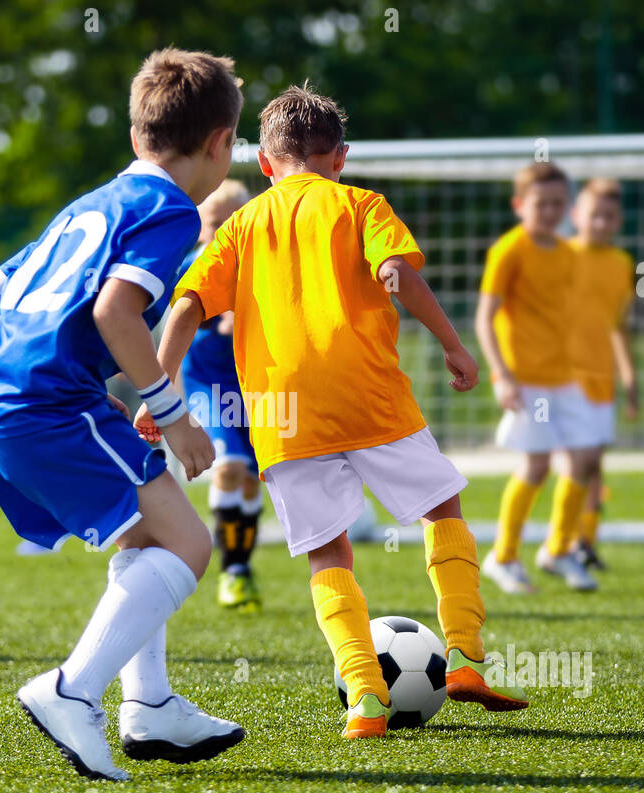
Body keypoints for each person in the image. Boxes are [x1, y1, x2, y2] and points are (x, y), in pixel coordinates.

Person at [139, 84, 528, 740]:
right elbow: (398, 277)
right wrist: (454, 346)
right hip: (369, 395)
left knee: (328, 553)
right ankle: (463, 654)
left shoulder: (240, 223)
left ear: (264, 164)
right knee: (442, 510)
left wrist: (162, 391)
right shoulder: (361, 205)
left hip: (283, 414)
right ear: (340, 157)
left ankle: (367, 700)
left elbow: (185, 308)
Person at [0, 48, 246, 782]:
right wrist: (172, 412)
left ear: (135, 137)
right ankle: (70, 691)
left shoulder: (86, 206)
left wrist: (83, 368)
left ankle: (149, 709)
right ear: (220, 144)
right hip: (46, 404)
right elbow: (115, 310)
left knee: (148, 529)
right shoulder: (172, 211)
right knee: (187, 546)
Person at [474, 161, 598, 594]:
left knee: (584, 460)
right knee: (538, 464)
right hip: (526, 379)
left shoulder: (568, 254)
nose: (550, 212)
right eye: (541, 204)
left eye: (558, 204)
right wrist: (502, 376)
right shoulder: (508, 251)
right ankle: (503, 556)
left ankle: (558, 549)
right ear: (519, 205)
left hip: (566, 378)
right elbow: (485, 318)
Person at [176, 180, 263, 612]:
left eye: (233, 220)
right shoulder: (191, 268)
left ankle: (242, 568)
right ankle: (230, 571)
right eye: (214, 222)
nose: (223, 229)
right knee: (228, 467)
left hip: (260, 386)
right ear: (199, 227)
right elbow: (177, 323)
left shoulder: (263, 269)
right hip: (207, 385)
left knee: (253, 479)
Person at [563, 178, 638, 571]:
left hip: (601, 379)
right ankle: (563, 543)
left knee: (594, 465)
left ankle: (585, 541)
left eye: (609, 216)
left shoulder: (622, 265)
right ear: (576, 216)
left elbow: (618, 327)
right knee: (577, 460)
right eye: (595, 214)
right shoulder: (559, 257)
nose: (601, 223)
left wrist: (630, 377)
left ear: (618, 220)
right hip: (562, 378)